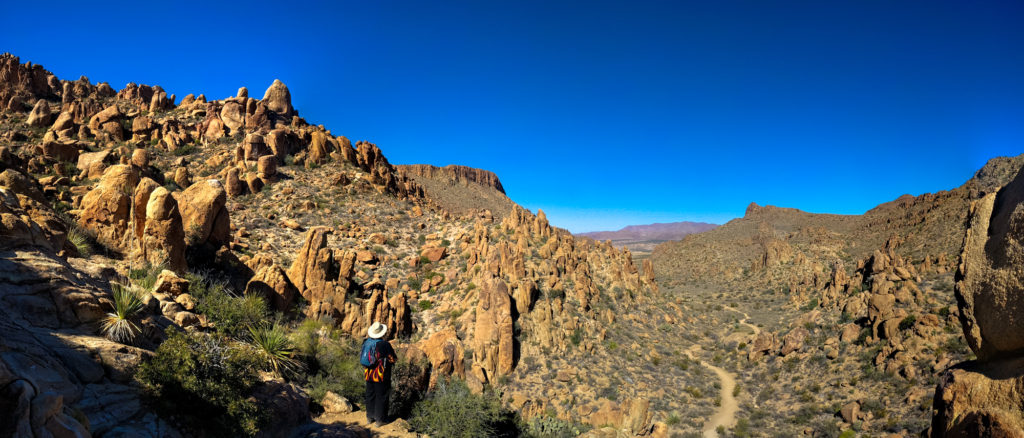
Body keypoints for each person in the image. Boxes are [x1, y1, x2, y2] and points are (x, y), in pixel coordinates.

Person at [362, 321, 397, 425]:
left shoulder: (366, 342)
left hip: (368, 373)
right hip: (381, 374)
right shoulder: (384, 344)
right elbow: (393, 359)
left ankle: (369, 417)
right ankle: (380, 420)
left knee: (370, 394)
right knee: (381, 395)